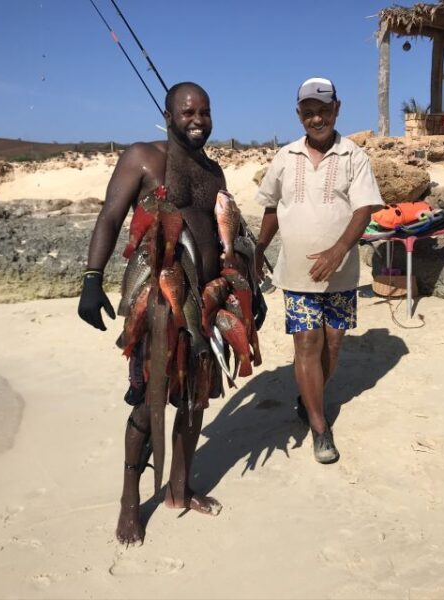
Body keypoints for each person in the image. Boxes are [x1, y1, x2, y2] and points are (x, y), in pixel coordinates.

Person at [78, 82, 226, 546]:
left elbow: (223, 234)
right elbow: (109, 217)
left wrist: (243, 288)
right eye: (187, 112)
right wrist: (91, 278)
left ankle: (180, 489)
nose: (197, 119)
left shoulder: (213, 170)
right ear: (167, 114)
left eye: (204, 111)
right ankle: (129, 502)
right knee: (148, 405)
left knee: (195, 400)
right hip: (159, 304)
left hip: (204, 300)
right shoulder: (143, 157)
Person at [254, 77, 384, 464]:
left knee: (333, 344)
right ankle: (319, 426)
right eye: (308, 112)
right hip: (296, 273)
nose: (316, 119)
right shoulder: (285, 157)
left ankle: (308, 395)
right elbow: (271, 207)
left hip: (341, 274)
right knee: (307, 343)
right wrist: (257, 248)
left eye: (323, 111)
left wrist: (339, 249)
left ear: (336, 110)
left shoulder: (353, 156)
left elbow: (364, 209)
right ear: (299, 115)